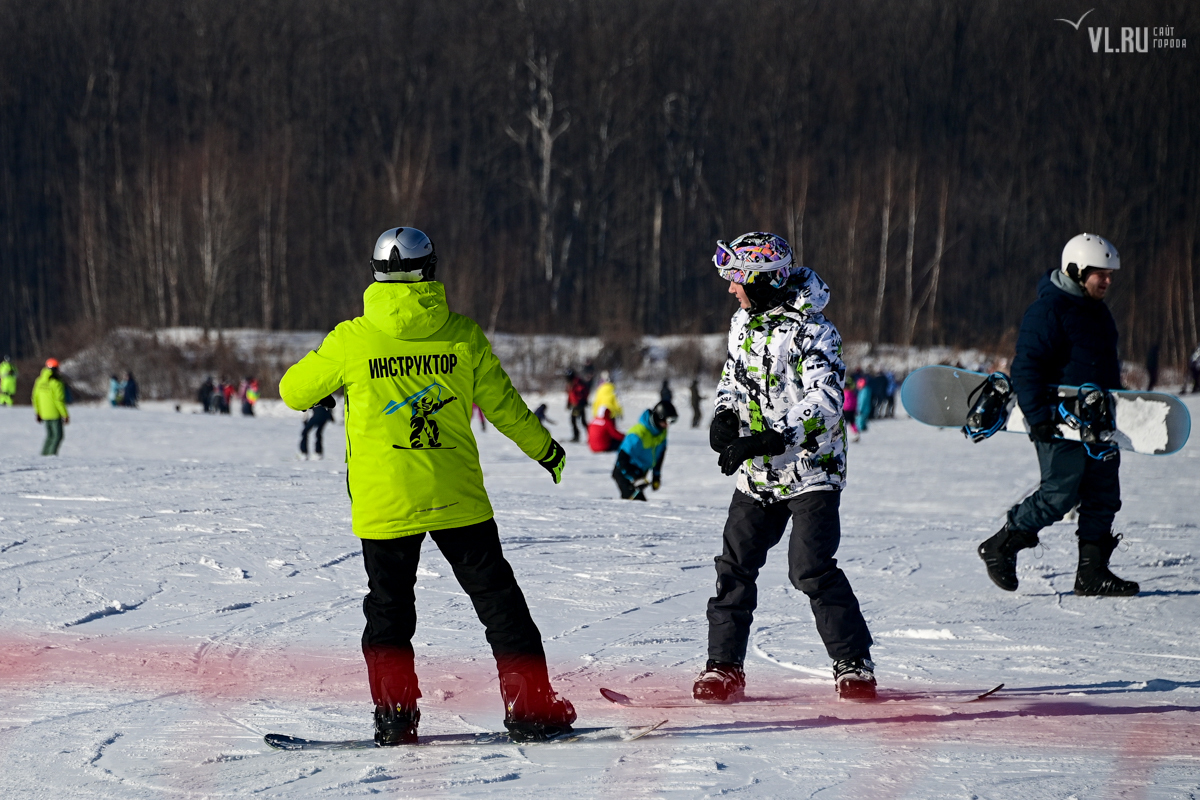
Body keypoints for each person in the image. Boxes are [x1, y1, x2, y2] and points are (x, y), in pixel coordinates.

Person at [279, 226, 574, 745]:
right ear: (431, 271)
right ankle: (532, 707)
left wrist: (323, 395)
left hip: (385, 501)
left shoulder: (351, 340)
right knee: (500, 603)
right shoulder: (462, 336)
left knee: (389, 612)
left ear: (376, 275)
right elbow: (506, 409)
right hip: (456, 497)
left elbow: (292, 390)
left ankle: (395, 718)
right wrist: (545, 451)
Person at [697, 231, 875, 703]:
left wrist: (774, 436)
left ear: (762, 279)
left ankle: (853, 661)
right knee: (734, 566)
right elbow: (733, 378)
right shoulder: (742, 322)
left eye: (737, 279)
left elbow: (828, 399)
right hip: (758, 472)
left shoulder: (815, 331)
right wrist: (724, 416)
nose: (731, 289)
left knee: (810, 569)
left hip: (811, 468)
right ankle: (724, 667)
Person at [977, 233, 1137, 597]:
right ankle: (1001, 545)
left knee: (1103, 493)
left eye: (1111, 274)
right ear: (1078, 270)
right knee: (1060, 492)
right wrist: (1039, 418)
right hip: (1057, 418)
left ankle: (1092, 573)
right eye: (1102, 274)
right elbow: (1027, 367)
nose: (1108, 281)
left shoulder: (1098, 311)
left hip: (1098, 420)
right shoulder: (1049, 310)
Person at [612, 401, 675, 500]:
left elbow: (660, 455)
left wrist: (656, 476)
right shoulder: (637, 434)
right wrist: (635, 478)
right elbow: (622, 459)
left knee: (637, 502)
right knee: (636, 503)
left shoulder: (661, 433)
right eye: (667, 421)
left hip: (640, 472)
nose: (668, 425)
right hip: (625, 472)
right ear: (659, 417)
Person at [32, 358, 69, 455]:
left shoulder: (39, 381)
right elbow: (59, 400)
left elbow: (35, 398)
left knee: (49, 436)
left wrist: (38, 412)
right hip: (54, 413)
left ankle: (44, 455)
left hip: (44, 413)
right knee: (58, 436)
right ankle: (51, 456)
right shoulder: (56, 382)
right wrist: (65, 414)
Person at [565, 369, 589, 443]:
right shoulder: (570, 383)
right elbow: (570, 394)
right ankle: (589, 436)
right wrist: (568, 403)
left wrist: (580, 402)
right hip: (576, 404)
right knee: (581, 421)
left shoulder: (577, 382)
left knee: (575, 420)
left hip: (579, 405)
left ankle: (578, 436)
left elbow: (581, 393)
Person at [842, 378, 860, 443]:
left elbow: (843, 402)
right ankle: (856, 433)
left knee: (843, 423)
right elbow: (855, 401)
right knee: (852, 422)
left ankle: (842, 435)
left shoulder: (844, 393)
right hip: (852, 410)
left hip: (846, 410)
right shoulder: (852, 393)